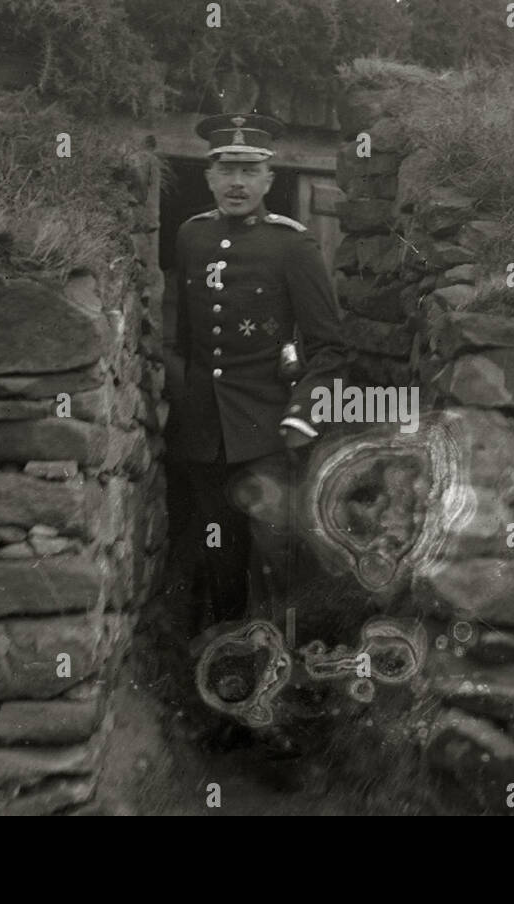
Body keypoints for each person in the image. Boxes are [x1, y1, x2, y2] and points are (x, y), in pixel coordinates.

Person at [165, 112, 350, 643]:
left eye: (249, 171)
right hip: (204, 431)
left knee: (272, 551)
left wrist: (302, 410)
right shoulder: (190, 237)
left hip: (268, 426)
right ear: (209, 176)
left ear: (270, 179)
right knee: (217, 546)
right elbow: (184, 342)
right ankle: (221, 658)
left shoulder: (292, 245)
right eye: (226, 169)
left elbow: (329, 347)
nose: (237, 183)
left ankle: (275, 665)